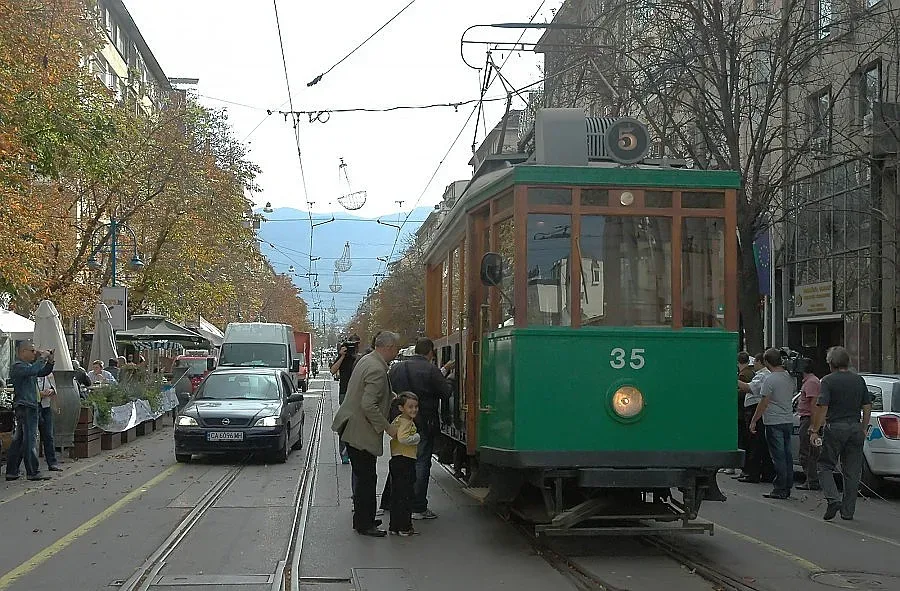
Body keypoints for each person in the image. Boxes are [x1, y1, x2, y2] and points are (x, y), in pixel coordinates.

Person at [331, 331, 401, 537]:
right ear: (388, 347)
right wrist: (388, 427)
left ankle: (364, 518)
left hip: (350, 426)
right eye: (396, 350)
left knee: (364, 477)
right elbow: (368, 404)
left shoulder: (366, 360)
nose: (396, 354)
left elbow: (366, 393)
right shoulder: (377, 369)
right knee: (367, 479)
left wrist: (390, 396)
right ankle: (364, 523)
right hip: (360, 430)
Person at [385, 337, 452, 520]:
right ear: (430, 352)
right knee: (421, 462)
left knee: (400, 461)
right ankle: (418, 507)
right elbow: (445, 393)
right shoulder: (430, 369)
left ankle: (393, 502)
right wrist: (450, 380)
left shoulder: (396, 368)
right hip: (423, 423)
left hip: (399, 422)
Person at [811, 346, 872, 521]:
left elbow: (823, 407)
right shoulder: (859, 380)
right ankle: (848, 511)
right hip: (855, 427)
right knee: (853, 472)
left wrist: (815, 430)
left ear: (831, 363)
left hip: (836, 427)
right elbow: (867, 406)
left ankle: (833, 498)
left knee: (825, 465)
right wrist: (864, 427)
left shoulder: (828, 381)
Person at [5, 341, 54, 481]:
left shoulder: (27, 366)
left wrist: (50, 361)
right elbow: (35, 370)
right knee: (30, 440)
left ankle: (12, 471)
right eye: (32, 351)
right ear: (22, 352)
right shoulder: (18, 366)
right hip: (26, 406)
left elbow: (42, 371)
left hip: (29, 405)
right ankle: (33, 472)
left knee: (19, 440)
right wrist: (42, 357)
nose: (34, 353)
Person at [749, 348, 795, 499]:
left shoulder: (770, 379)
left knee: (778, 456)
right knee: (787, 455)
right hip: (788, 419)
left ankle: (780, 488)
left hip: (773, 421)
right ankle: (788, 485)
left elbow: (764, 402)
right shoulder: (790, 377)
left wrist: (754, 420)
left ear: (767, 362)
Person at [737, 353, 775, 483]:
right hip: (761, 410)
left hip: (755, 409)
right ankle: (766, 473)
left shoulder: (763, 375)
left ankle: (752, 473)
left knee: (754, 443)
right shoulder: (770, 375)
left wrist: (733, 379)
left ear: (760, 362)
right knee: (762, 444)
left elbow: (750, 388)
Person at [388, 392, 421, 536]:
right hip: (406, 460)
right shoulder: (407, 423)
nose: (414, 410)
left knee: (396, 494)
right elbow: (402, 438)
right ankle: (404, 527)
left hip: (396, 459)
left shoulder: (397, 419)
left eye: (416, 407)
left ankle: (394, 526)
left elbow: (392, 432)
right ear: (401, 408)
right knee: (406, 495)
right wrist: (416, 437)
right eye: (410, 407)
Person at [331, 334, 361, 464]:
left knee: (357, 423)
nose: (352, 348)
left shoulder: (361, 359)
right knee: (345, 423)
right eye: (351, 345)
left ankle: (355, 450)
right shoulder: (343, 358)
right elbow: (333, 370)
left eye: (355, 345)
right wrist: (342, 355)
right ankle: (344, 453)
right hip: (345, 393)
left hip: (358, 394)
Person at [796, 359, 821, 491]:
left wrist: (813, 424)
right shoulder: (809, 381)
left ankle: (811, 480)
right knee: (808, 451)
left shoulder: (811, 382)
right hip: (805, 418)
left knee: (807, 452)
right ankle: (811, 479)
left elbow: (814, 404)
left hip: (808, 419)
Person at [36, 373, 62, 471]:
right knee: (29, 438)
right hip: (34, 407)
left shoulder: (49, 375)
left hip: (46, 406)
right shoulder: (32, 372)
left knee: (49, 436)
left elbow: (54, 388)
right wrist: (39, 394)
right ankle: (21, 466)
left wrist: (51, 391)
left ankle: (52, 463)